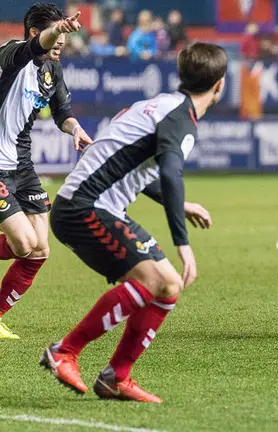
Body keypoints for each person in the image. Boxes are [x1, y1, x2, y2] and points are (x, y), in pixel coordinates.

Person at [40, 42, 224, 403]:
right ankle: (64, 351)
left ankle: (116, 377)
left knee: (168, 285)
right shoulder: (180, 119)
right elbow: (171, 172)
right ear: (220, 84)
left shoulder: (160, 106)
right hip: (85, 207)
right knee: (155, 278)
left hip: (91, 205)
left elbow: (137, 168)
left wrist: (180, 203)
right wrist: (183, 243)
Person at [0, 4, 93, 339]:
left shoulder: (53, 70)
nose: (60, 41)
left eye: (64, 35)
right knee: (24, 243)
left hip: (22, 165)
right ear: (34, 33)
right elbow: (35, 46)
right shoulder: (11, 56)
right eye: (56, 34)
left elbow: (62, 111)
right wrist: (58, 29)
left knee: (39, 250)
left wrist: (75, 129)